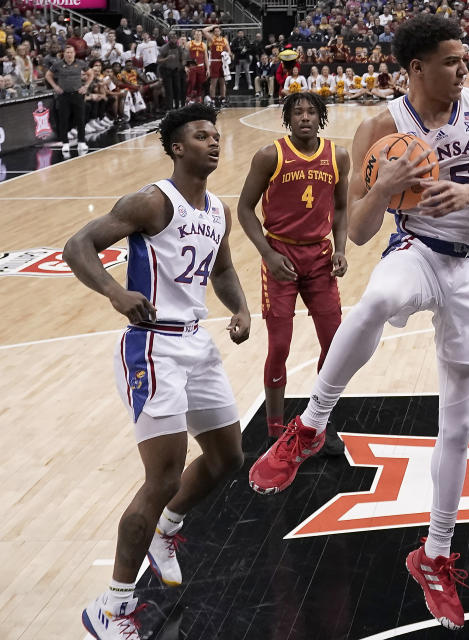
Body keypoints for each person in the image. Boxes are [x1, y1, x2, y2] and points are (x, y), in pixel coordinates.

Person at [247, 13, 469, 630]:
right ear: (416, 68)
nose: (464, 68)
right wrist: (386, 185)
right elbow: (360, 230)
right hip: (419, 250)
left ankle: (434, 554)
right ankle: (310, 425)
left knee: (459, 424)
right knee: (372, 300)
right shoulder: (380, 126)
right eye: (452, 60)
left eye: (465, 57)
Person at [63, 104, 250, 640]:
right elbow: (78, 246)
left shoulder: (218, 210)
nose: (213, 142)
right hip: (153, 348)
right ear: (176, 147)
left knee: (227, 457)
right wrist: (116, 292)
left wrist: (238, 308)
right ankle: (112, 607)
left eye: (216, 135)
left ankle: (167, 530)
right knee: (162, 477)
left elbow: (224, 268)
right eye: (201, 135)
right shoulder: (151, 201)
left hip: (198, 343)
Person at [237, 92, 349, 454]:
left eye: (311, 111)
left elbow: (343, 207)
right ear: (287, 119)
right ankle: (273, 430)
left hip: (319, 258)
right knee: (280, 345)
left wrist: (342, 248)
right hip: (281, 256)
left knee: (334, 346)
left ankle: (320, 423)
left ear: (321, 118)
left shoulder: (338, 156)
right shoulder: (270, 155)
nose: (304, 117)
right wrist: (267, 254)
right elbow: (243, 209)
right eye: (297, 112)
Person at [45, 44, 91, 155]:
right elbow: (48, 75)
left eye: (71, 52)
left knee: (80, 119)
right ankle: (65, 143)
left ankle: (81, 141)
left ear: (74, 53)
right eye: (67, 52)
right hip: (64, 95)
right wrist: (55, 87)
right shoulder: (57, 64)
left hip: (77, 94)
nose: (69, 54)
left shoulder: (80, 63)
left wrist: (86, 86)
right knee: (63, 120)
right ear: (63, 54)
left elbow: (91, 73)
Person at [203, 25, 230, 107]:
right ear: (213, 32)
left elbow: (229, 51)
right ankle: (212, 99)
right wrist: (214, 25)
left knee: (222, 82)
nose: (217, 32)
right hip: (214, 62)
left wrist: (226, 55)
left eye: (218, 31)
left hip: (222, 62)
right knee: (213, 82)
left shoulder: (224, 40)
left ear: (220, 32)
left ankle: (223, 99)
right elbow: (204, 30)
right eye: (215, 31)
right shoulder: (212, 38)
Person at [186, 30, 208, 104]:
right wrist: (186, 66)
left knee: (200, 84)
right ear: (194, 35)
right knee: (191, 82)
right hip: (192, 67)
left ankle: (199, 99)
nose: (198, 36)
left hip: (201, 67)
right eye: (197, 34)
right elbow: (185, 56)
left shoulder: (204, 45)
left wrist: (208, 69)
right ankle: (189, 98)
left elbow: (206, 58)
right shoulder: (189, 43)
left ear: (201, 35)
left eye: (199, 34)